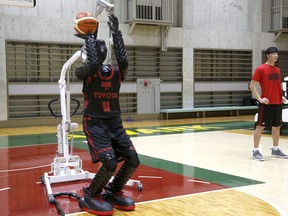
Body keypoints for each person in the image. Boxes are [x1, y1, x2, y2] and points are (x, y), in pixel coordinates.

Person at [75, 13, 140, 215]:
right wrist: (89, 37)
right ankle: (90, 194)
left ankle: (112, 190)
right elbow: (94, 65)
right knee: (110, 162)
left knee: (132, 159)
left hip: (114, 123)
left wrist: (117, 33)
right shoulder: (84, 72)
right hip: (94, 124)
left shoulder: (115, 72)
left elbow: (124, 61)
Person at [250, 46, 288, 161]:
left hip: (277, 103)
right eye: (273, 54)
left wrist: (281, 96)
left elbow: (276, 85)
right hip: (266, 104)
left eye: (277, 53)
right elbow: (252, 85)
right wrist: (260, 99)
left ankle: (275, 149)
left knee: (277, 126)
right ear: (267, 55)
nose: (276, 55)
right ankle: (255, 151)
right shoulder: (261, 69)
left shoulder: (277, 69)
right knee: (260, 126)